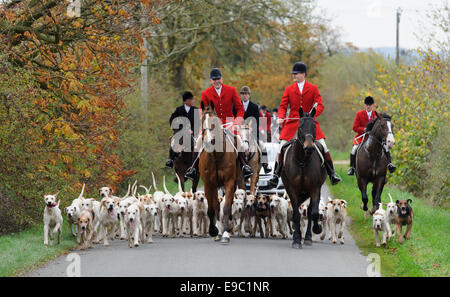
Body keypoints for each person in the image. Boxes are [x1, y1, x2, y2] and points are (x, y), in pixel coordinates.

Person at [269, 61, 341, 186]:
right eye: (293, 74)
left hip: (309, 124)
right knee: (281, 147)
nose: (294, 76)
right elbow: (282, 106)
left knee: (324, 146)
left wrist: (312, 115)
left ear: (303, 74)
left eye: (296, 74)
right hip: (292, 123)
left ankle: (332, 174)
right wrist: (280, 116)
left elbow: (320, 105)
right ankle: (276, 175)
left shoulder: (313, 88)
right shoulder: (289, 89)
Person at [184, 68, 253, 180]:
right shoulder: (205, 93)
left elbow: (240, 109)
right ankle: (193, 168)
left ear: (222, 79)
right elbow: (203, 110)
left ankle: (245, 166)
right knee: (198, 142)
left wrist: (237, 122)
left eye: (218, 79)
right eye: (214, 79)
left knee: (241, 142)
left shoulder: (231, 90)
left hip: (229, 122)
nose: (217, 81)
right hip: (212, 124)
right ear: (211, 81)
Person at [347, 96, 396, 175]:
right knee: (354, 149)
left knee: (386, 148)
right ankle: (352, 167)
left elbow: (383, 125)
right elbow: (354, 127)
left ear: (372, 105)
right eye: (367, 104)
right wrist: (364, 129)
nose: (368, 106)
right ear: (365, 105)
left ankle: (389, 164)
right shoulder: (359, 114)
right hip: (362, 137)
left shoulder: (377, 115)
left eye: (370, 104)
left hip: (375, 138)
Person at [233, 86, 271, 173]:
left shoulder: (254, 107)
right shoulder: (236, 106)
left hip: (251, 131)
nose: (244, 96)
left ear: (249, 95)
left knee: (262, 145)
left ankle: (265, 164)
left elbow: (257, 121)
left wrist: (251, 129)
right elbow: (234, 118)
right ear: (240, 95)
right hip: (239, 132)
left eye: (246, 94)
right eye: (242, 94)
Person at [165, 91, 200, 168]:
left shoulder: (196, 110)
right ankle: (170, 160)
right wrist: (178, 129)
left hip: (193, 133)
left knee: (200, 144)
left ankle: (199, 163)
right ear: (187, 101)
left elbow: (198, 123)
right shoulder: (178, 110)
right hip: (180, 132)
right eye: (192, 99)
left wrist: (193, 130)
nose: (193, 101)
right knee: (174, 141)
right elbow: (172, 120)